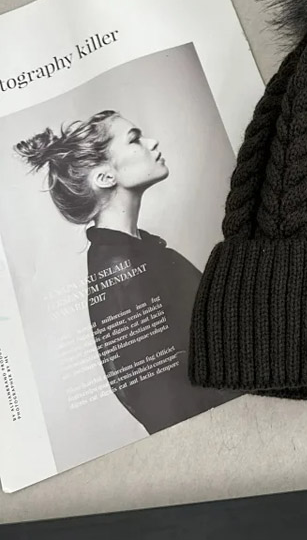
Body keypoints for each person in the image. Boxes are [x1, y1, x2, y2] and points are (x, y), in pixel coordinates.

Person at [16, 110, 233, 434]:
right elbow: (162, 402)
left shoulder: (138, 252)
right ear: (105, 177)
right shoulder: (121, 268)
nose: (152, 143)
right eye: (134, 139)